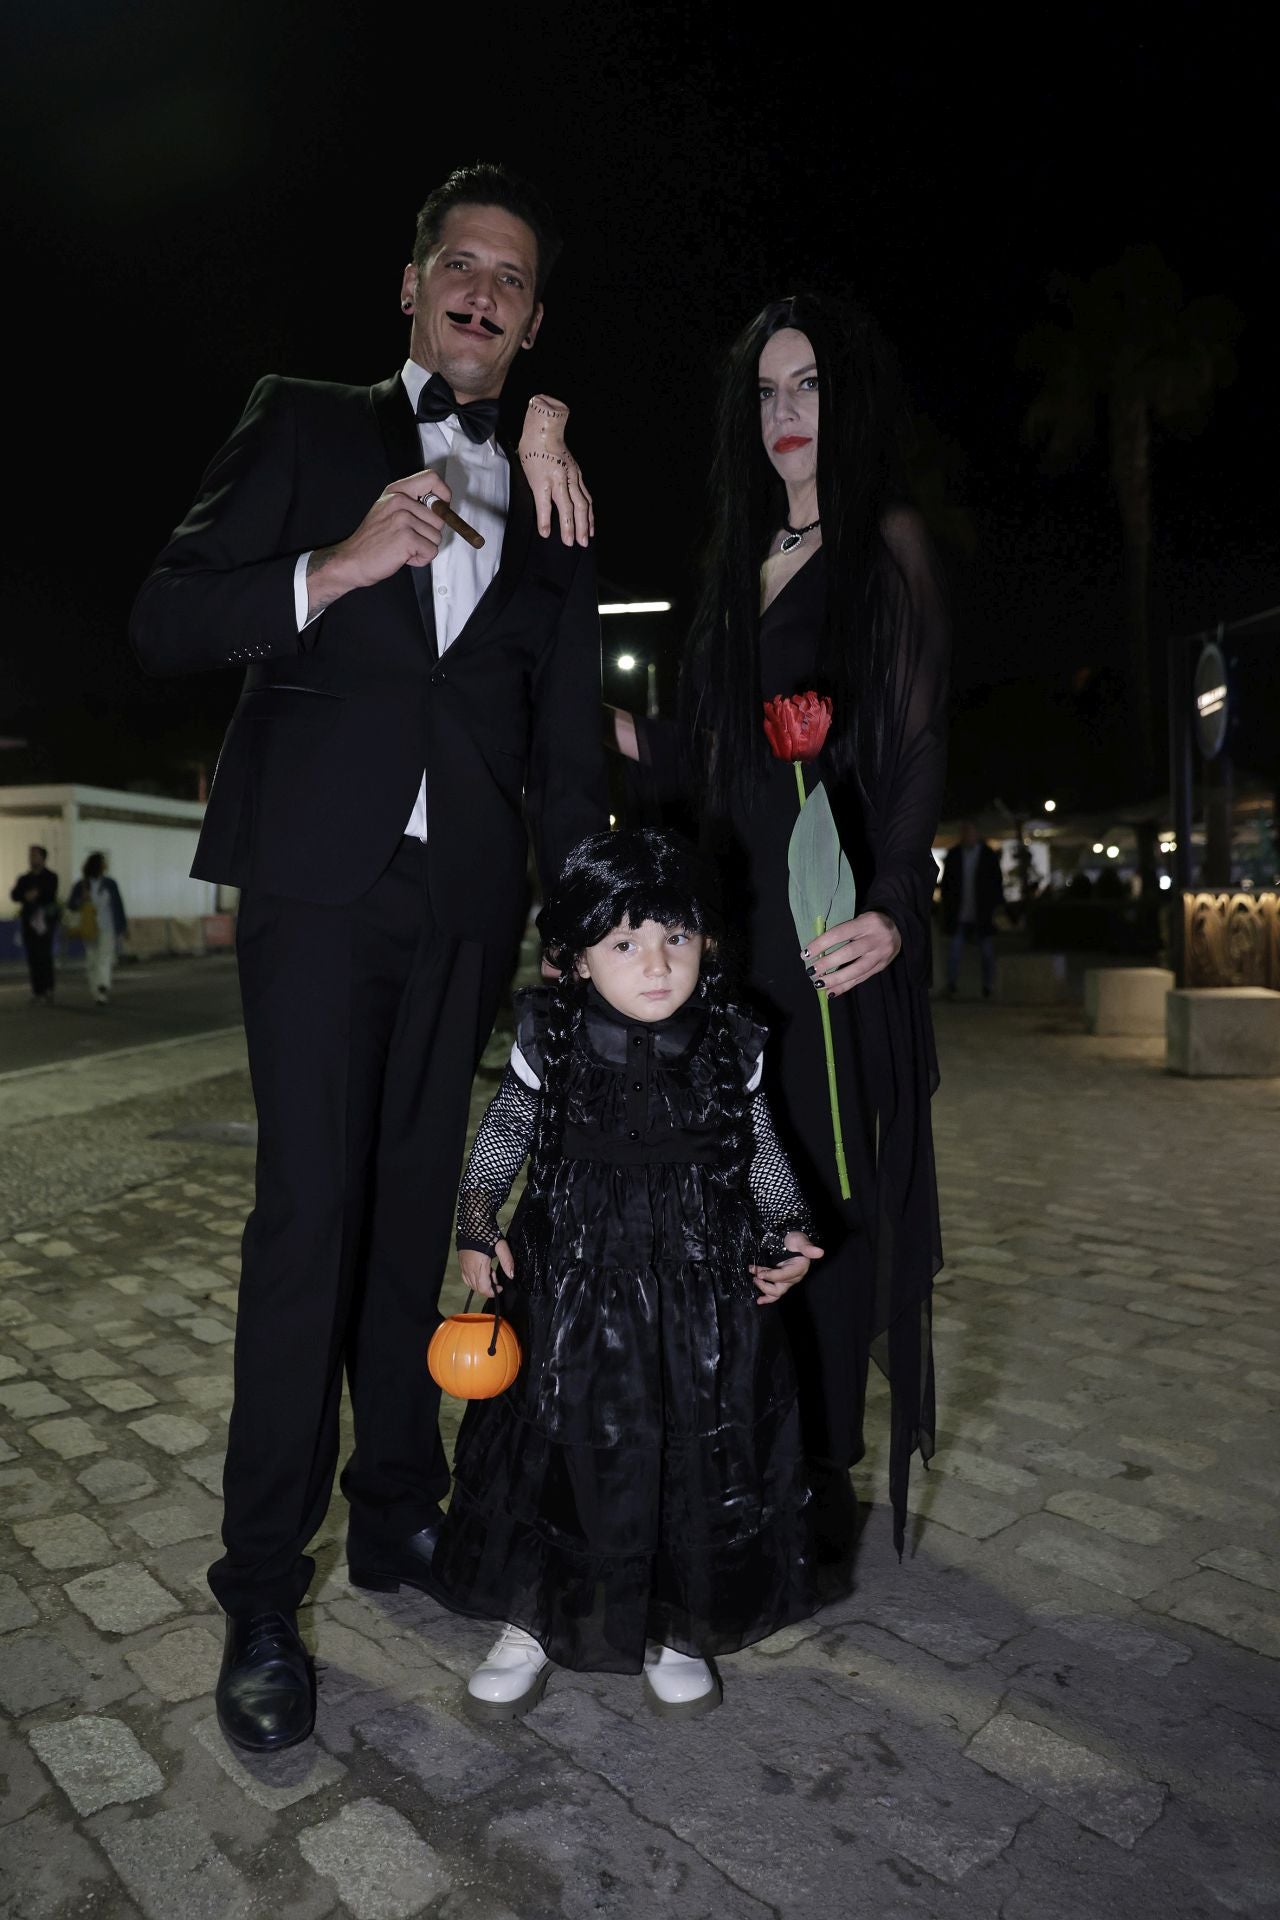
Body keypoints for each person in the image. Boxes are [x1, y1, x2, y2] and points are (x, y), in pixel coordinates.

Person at [128, 161, 608, 1755]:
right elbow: (165, 615)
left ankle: (401, 1511)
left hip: (466, 904)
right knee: (310, 1218)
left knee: (425, 1214)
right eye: (457, 263)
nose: (480, 289)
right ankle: (263, 1590)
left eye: (511, 276)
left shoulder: (550, 500)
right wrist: (331, 566)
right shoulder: (306, 419)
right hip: (318, 889)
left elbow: (565, 757)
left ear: (534, 322)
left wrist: (590, 934)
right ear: (411, 289)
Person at [612, 291, 949, 1558]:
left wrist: (893, 911)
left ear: (845, 401)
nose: (784, 414)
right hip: (732, 934)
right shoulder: (735, 565)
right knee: (741, 1189)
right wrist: (584, 727)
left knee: (821, 1186)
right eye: (763, 392)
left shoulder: (887, 547)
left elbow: (914, 745)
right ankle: (749, 1445)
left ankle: (818, 1471)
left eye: (805, 386)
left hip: (826, 933)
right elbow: (700, 756)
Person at [430, 827, 824, 1721]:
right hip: (570, 1287)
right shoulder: (550, 1036)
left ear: (707, 945)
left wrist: (788, 1226)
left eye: (676, 939)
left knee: (692, 1445)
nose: (657, 966)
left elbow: (761, 1148)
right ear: (574, 959)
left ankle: (676, 1624)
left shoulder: (732, 1041)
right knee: (559, 1445)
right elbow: (502, 1137)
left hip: (700, 1290)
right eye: (626, 944)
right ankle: (531, 1619)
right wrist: (474, 1218)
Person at [940, 820, 1004, 997]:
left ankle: (987, 986)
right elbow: (947, 884)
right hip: (959, 912)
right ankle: (952, 984)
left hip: (981, 912)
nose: (967, 836)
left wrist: (994, 907)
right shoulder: (954, 855)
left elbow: (996, 883)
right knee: (954, 951)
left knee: (987, 953)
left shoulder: (987, 855)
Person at [66, 852, 128, 1005]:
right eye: (103, 862)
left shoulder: (110, 884)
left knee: (104, 957)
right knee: (92, 959)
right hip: (89, 928)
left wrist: (123, 927)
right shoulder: (81, 885)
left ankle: (102, 987)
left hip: (108, 927)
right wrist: (82, 899)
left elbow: (118, 906)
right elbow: (70, 905)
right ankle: (97, 991)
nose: (105, 865)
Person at [10, 845, 59, 1002]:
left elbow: (50, 892)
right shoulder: (24, 879)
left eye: (35, 855)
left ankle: (48, 989)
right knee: (32, 957)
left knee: (44, 955)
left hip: (45, 922)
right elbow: (14, 894)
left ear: (43, 858)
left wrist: (37, 894)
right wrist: (26, 895)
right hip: (28, 922)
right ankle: (37, 991)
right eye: (30, 855)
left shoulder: (51, 877)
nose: (31, 858)